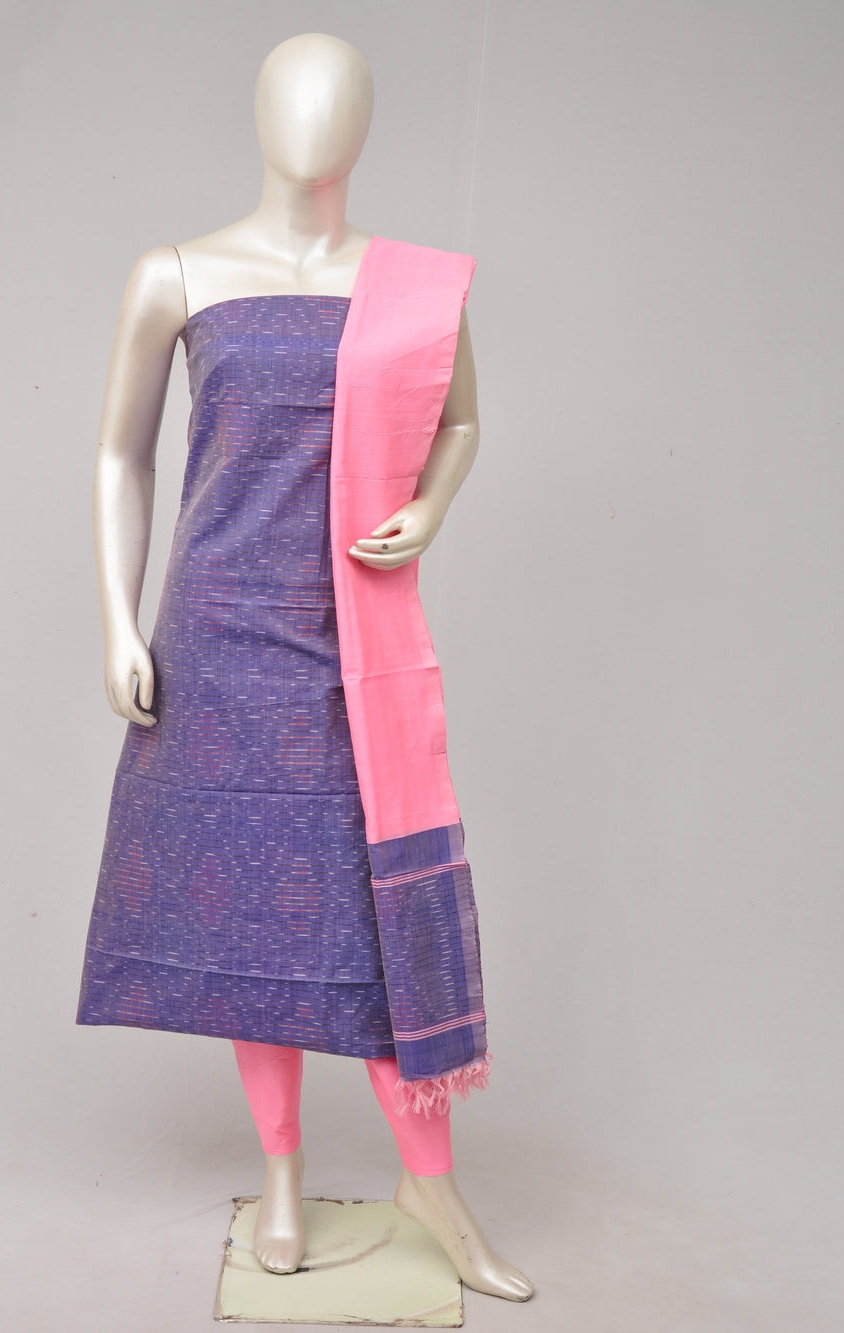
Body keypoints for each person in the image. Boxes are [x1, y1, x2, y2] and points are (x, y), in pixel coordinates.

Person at [76, 31, 533, 1302]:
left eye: (338, 101)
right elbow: (120, 456)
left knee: (377, 918)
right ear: (258, 114)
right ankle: (279, 1174)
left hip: (350, 647)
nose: (314, 121)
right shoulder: (176, 273)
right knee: (247, 911)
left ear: (365, 125)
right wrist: (118, 621)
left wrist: (430, 507)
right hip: (219, 642)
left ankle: (430, 1182)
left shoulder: (415, 287)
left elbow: (462, 421)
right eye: (294, 96)